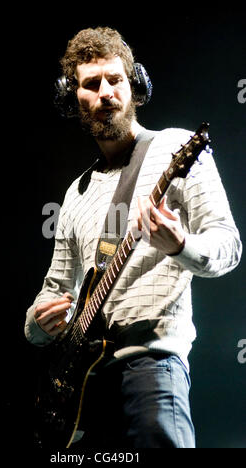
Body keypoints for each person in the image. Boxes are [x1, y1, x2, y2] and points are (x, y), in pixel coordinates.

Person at [24, 27, 242, 449]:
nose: (106, 92)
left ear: (134, 84)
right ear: (74, 100)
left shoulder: (176, 147)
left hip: (153, 366)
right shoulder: (76, 193)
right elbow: (53, 291)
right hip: (82, 387)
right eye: (92, 84)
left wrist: (181, 246)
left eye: (116, 79)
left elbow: (228, 245)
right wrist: (37, 324)